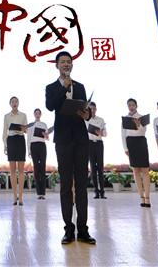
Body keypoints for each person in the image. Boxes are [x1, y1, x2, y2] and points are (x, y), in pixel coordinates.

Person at [45, 51, 95, 245]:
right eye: (63, 62)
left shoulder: (80, 86)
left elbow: (87, 110)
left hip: (81, 139)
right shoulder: (51, 87)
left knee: (81, 185)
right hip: (63, 140)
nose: (66, 64)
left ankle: (83, 229)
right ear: (57, 65)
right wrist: (63, 87)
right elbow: (50, 106)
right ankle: (68, 228)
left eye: (69, 62)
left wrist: (87, 115)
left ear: (72, 65)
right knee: (66, 185)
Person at [121, 98, 150, 208]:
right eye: (129, 105)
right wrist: (125, 148)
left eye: (133, 105)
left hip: (141, 142)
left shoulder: (141, 117)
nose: (131, 107)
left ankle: (147, 198)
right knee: (136, 170)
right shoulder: (125, 119)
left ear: (136, 106)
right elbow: (123, 134)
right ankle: (141, 197)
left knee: (145, 170)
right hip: (131, 143)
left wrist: (139, 125)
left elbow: (144, 131)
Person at [3, 96, 28, 206]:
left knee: (21, 170)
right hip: (11, 141)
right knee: (12, 171)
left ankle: (21, 197)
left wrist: (24, 129)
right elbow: (4, 132)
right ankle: (14, 196)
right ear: (10, 104)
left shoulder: (23, 115)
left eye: (16, 101)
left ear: (18, 103)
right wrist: (5, 145)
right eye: (12, 101)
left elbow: (26, 130)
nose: (14, 103)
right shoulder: (6, 116)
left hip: (20, 140)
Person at [27, 108, 50, 200]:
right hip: (33, 146)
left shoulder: (44, 124)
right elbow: (28, 138)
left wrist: (46, 135)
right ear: (34, 114)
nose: (37, 114)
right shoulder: (31, 125)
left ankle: (43, 193)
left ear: (40, 115)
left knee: (42, 167)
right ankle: (38, 192)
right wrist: (29, 150)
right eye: (36, 113)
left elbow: (47, 138)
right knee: (36, 168)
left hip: (42, 146)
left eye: (38, 113)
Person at [86, 102, 107, 200]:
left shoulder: (101, 120)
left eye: (94, 108)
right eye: (90, 109)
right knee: (93, 169)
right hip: (89, 144)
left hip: (99, 143)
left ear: (96, 109)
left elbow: (105, 134)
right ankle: (96, 192)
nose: (92, 110)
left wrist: (101, 133)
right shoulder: (85, 120)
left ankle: (102, 192)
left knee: (100, 168)